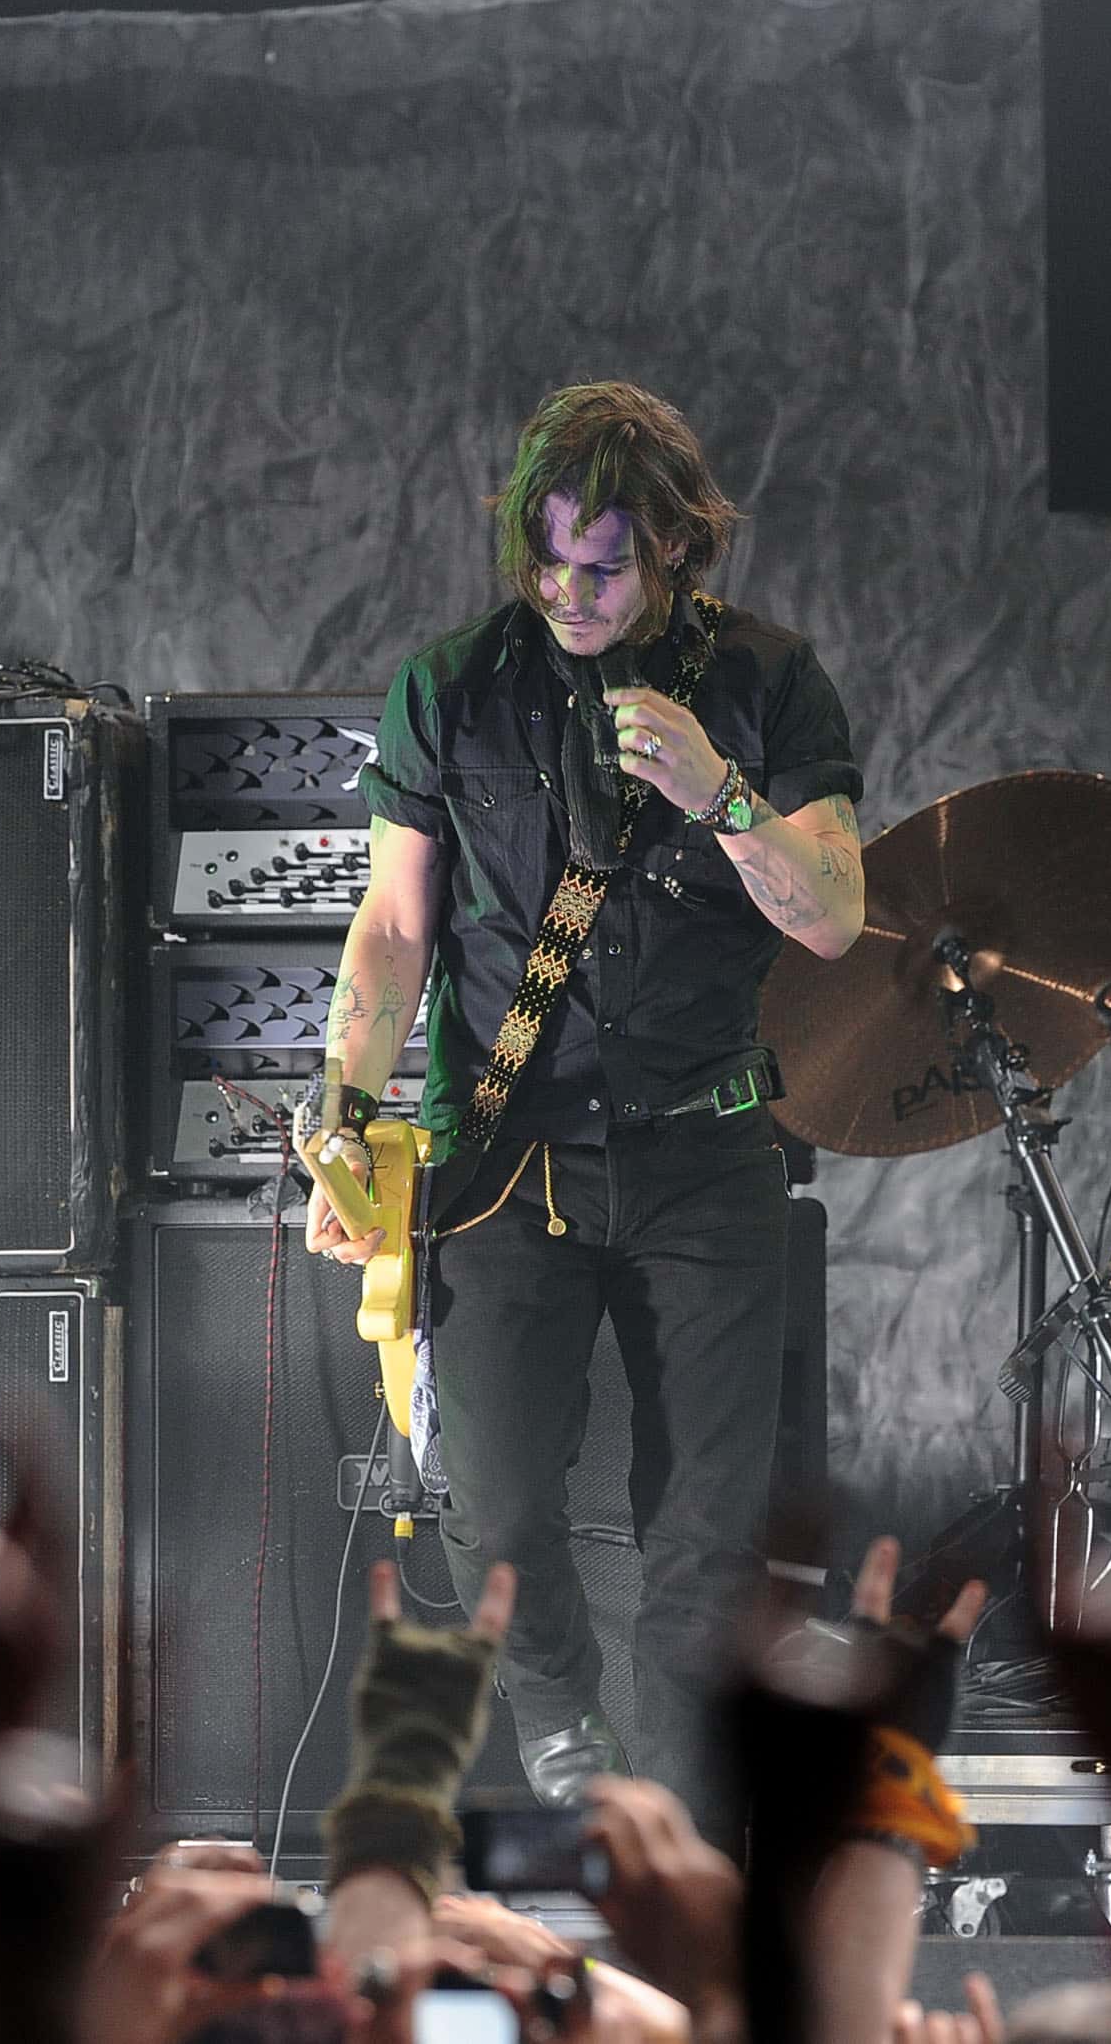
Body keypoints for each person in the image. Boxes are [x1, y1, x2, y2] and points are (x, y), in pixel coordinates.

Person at [306, 379, 864, 1826]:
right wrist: (345, 1113)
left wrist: (723, 793)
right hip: (510, 1154)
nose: (567, 590)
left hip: (706, 1155)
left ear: (675, 544)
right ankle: (561, 1717)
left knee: (709, 1529)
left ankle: (674, 1820)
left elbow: (836, 919)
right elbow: (392, 927)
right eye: (543, 557)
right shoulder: (451, 687)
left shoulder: (769, 681)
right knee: (486, 1492)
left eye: (602, 563)